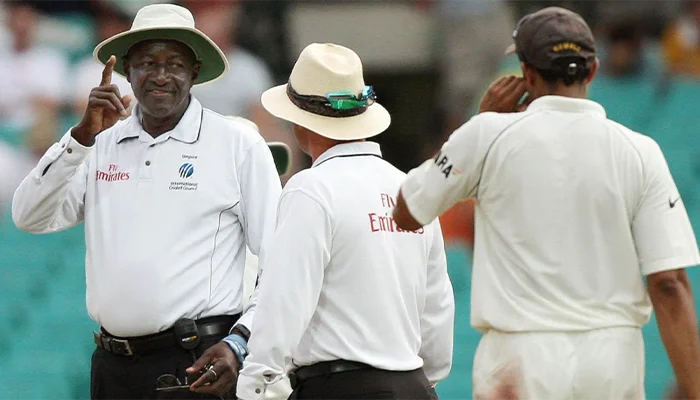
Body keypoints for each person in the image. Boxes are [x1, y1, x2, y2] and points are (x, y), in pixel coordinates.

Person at [393, 6, 700, 399]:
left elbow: (406, 212)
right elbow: (669, 283)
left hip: (520, 359)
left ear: (526, 74)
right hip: (613, 358)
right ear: (592, 71)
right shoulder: (640, 152)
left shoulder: (486, 135)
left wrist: (480, 125)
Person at [12, 4, 286, 400]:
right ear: (127, 71)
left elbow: (279, 265)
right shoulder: (100, 143)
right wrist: (80, 138)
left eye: (174, 64)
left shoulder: (238, 145)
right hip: (112, 367)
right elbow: (28, 216)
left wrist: (240, 342)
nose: (160, 76)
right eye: (146, 63)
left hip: (196, 363)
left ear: (194, 71)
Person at [233, 43, 455, 400]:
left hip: (339, 388)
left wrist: (256, 385)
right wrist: (424, 380)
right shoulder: (409, 187)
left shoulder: (311, 188)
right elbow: (437, 306)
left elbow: (285, 300)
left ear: (300, 122)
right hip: (411, 384)